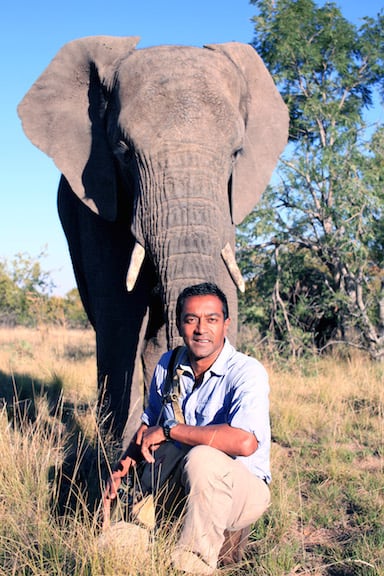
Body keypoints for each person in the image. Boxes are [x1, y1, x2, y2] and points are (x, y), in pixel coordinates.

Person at [103, 282, 271, 574]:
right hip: (185, 484)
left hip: (241, 491)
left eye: (212, 319)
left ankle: (193, 563)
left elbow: (245, 443)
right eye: (191, 319)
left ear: (226, 325)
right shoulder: (168, 364)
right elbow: (151, 420)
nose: (201, 329)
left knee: (202, 456)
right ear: (179, 324)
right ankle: (139, 527)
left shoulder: (247, 371)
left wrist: (170, 431)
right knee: (112, 546)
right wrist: (123, 465)